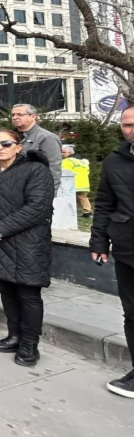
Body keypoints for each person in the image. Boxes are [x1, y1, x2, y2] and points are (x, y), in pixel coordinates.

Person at [0, 129, 54, 367]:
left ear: (18, 146)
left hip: (27, 243)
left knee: (28, 294)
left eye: (6, 143)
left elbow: (37, 208)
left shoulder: (36, 170)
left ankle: (29, 344)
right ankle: (14, 335)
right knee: (5, 289)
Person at [91, 106, 134, 397]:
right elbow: (104, 204)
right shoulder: (114, 162)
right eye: (127, 124)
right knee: (132, 314)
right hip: (128, 249)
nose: (132, 129)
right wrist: (98, 242)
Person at [11, 103, 62, 191]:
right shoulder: (9, 136)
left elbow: (53, 167)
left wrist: (49, 192)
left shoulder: (47, 137)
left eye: (20, 114)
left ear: (33, 116)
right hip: (11, 188)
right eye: (13, 115)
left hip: (34, 189)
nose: (15, 117)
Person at [61, 144, 92, 217]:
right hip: (84, 183)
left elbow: (64, 172)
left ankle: (67, 211)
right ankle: (88, 212)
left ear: (70, 153)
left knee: (66, 197)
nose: (62, 154)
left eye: (64, 152)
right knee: (83, 198)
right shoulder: (82, 162)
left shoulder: (67, 161)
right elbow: (87, 172)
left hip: (73, 183)